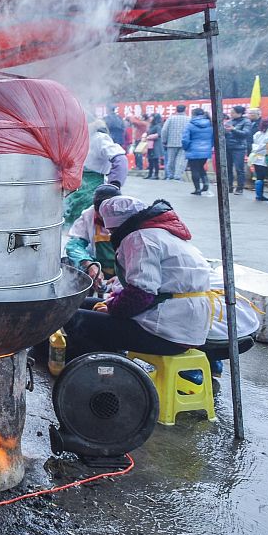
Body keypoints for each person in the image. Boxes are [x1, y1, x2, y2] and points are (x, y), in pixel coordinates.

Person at [62, 196, 211, 361]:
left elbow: (140, 295)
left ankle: (105, 369)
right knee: (81, 304)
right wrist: (113, 300)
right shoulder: (159, 233)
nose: (110, 234)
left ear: (117, 227)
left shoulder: (139, 238)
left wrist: (112, 308)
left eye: (111, 231)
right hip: (183, 322)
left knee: (73, 318)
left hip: (168, 330)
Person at [63, 121, 126, 225]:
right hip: (75, 188)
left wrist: (115, 183)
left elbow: (120, 158)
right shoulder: (77, 138)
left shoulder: (99, 138)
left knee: (88, 222)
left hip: (93, 188)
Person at [64, 184, 122, 292]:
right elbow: (73, 245)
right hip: (100, 273)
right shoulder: (88, 215)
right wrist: (90, 265)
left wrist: (123, 279)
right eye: (100, 214)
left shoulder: (128, 215)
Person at [182, 107, 214, 196]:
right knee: (201, 167)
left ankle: (197, 189)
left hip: (193, 151)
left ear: (193, 114)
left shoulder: (190, 125)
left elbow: (185, 139)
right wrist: (209, 147)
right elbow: (213, 139)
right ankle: (205, 183)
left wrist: (186, 148)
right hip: (206, 151)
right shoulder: (210, 124)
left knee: (195, 169)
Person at [223, 105, 253, 195]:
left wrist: (233, 129)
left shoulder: (246, 122)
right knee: (227, 168)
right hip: (228, 146)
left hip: (239, 147)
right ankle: (229, 186)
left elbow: (245, 133)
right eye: (231, 112)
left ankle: (240, 188)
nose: (231, 114)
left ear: (239, 113)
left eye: (233, 113)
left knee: (239, 168)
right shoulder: (229, 121)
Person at [160, 104, 189, 181]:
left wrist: (164, 140)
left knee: (171, 160)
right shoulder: (188, 119)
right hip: (184, 143)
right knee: (181, 160)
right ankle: (177, 176)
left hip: (171, 142)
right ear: (185, 109)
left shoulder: (171, 119)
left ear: (176, 110)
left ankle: (170, 175)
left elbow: (164, 130)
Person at [144, 113, 163, 179]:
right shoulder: (151, 125)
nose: (150, 118)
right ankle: (150, 173)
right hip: (149, 144)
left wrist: (149, 136)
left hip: (155, 144)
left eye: (151, 117)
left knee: (155, 160)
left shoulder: (158, 126)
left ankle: (156, 174)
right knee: (150, 159)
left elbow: (159, 134)